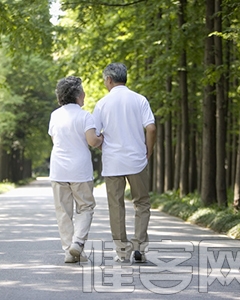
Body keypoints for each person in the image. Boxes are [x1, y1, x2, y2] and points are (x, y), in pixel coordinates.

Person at [92, 63, 156, 263]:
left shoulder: (102, 103)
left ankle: (122, 251)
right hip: (137, 160)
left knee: (116, 205)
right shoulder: (140, 100)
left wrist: (104, 146)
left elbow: (94, 136)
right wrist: (148, 151)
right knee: (142, 203)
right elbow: (151, 128)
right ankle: (140, 248)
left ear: (109, 80)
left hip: (113, 163)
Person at [48, 76, 103, 263]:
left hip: (58, 169)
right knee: (85, 207)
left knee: (63, 211)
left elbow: (55, 139)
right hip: (79, 170)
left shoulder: (54, 115)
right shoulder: (85, 116)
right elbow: (93, 141)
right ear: (78, 95)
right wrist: (102, 138)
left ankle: (68, 251)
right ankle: (78, 243)